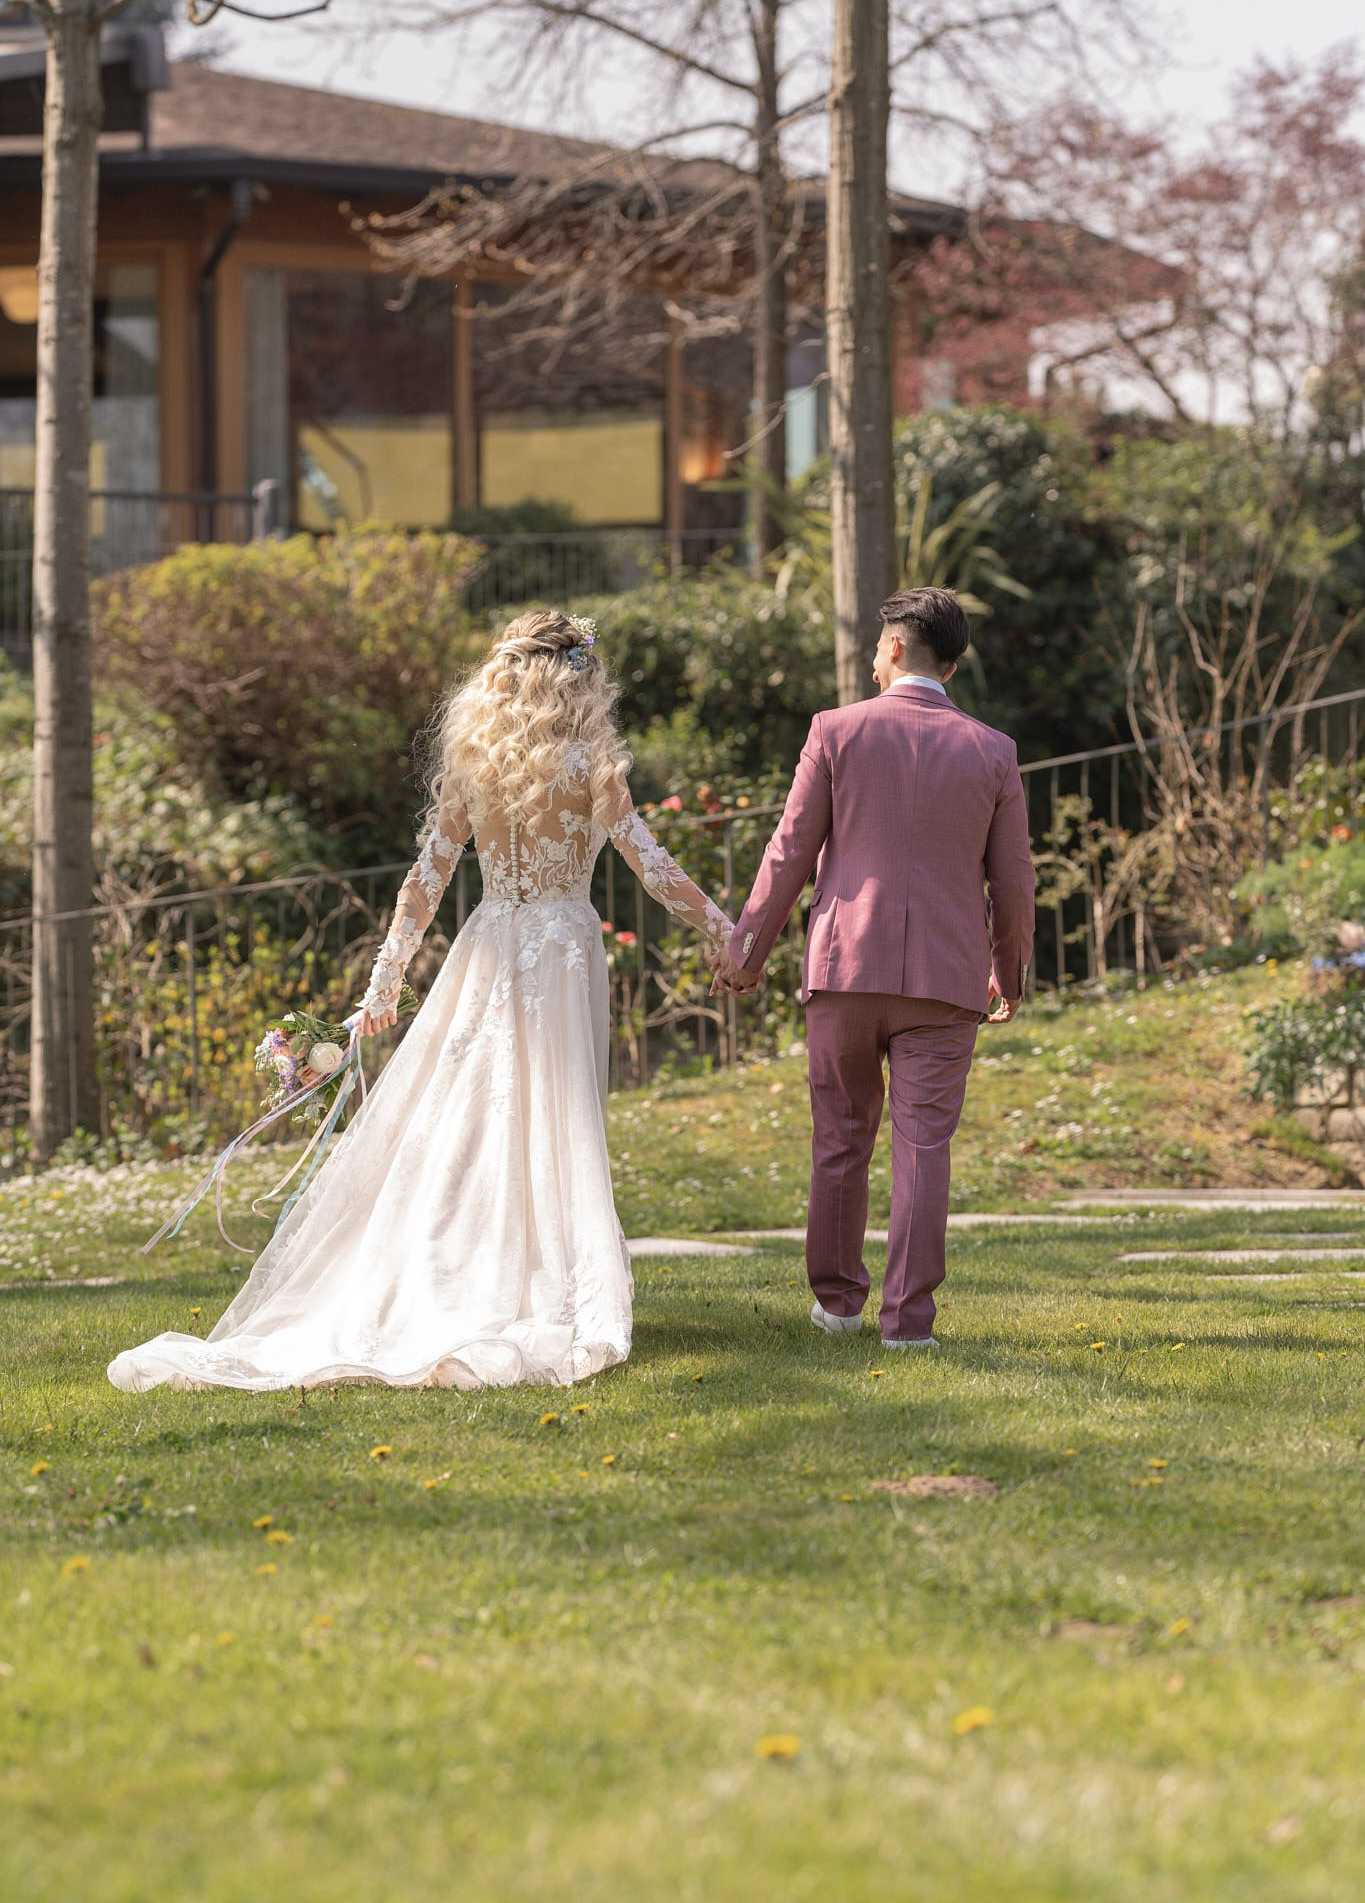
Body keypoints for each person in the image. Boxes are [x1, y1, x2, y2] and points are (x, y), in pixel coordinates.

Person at [108, 611, 733, 1394]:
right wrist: (722, 927)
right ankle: (522, 1285)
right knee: (545, 1117)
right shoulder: (590, 764)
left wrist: (385, 979)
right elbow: (648, 860)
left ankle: (464, 1269)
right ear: (576, 679)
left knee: (470, 1118)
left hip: (488, 942)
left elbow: (425, 880)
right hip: (560, 949)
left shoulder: (479, 762)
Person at [711, 587, 1034, 1350]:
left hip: (842, 968)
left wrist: (746, 954)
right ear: (952, 664)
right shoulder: (993, 750)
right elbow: (1014, 880)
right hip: (946, 980)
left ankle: (835, 1306)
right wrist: (1009, 974)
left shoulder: (834, 731)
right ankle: (907, 1325)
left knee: (839, 1138)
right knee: (923, 1148)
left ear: (892, 649)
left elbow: (788, 851)